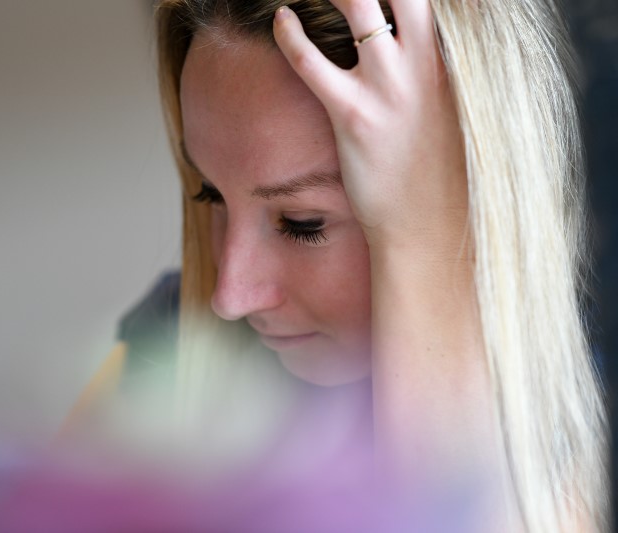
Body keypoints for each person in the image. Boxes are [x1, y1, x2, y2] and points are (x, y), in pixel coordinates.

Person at [65, 0, 608, 531]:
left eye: (303, 224)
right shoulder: (173, 339)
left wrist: (423, 240)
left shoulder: (590, 410)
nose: (230, 296)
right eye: (211, 195)